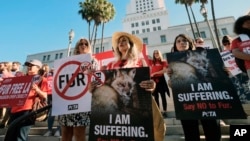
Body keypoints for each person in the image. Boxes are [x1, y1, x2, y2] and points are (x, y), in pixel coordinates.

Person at [91, 31, 166, 141]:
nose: (121, 43)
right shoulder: (111, 65)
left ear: (131, 44)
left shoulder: (140, 61)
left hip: (142, 99)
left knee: (159, 127)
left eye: (124, 40)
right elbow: (102, 86)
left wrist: (152, 85)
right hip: (117, 104)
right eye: (119, 42)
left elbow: (148, 80)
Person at [167, 34, 221, 141]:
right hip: (187, 102)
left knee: (212, 130)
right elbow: (174, 86)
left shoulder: (205, 57)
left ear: (190, 44)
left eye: (185, 41)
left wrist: (224, 72)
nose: (182, 43)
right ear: (175, 45)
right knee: (190, 133)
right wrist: (171, 79)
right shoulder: (174, 62)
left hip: (207, 100)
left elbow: (216, 77)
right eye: (179, 41)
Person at [58, 38, 99, 141]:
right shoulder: (69, 61)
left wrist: (92, 74)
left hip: (82, 100)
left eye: (86, 44)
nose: (83, 45)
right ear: (77, 47)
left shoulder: (93, 60)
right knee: (65, 132)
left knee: (79, 132)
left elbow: (96, 80)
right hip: (67, 100)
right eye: (81, 43)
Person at [6, 59, 48, 141]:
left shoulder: (42, 79)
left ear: (38, 68)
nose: (29, 67)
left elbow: (45, 95)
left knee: (20, 137)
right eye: (28, 65)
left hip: (28, 110)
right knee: (10, 136)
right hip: (14, 109)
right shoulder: (21, 78)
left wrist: (37, 90)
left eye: (31, 65)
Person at [42, 64, 61, 137]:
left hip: (60, 95)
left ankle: (58, 129)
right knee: (51, 113)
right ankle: (49, 130)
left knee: (60, 113)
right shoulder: (48, 76)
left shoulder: (61, 75)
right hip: (50, 96)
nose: (54, 70)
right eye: (53, 69)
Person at [149, 49, 170, 118]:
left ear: (159, 53)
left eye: (157, 53)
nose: (156, 54)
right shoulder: (152, 62)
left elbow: (164, 70)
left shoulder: (163, 61)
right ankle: (158, 112)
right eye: (155, 53)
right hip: (153, 80)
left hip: (161, 80)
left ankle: (165, 111)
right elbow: (144, 58)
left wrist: (155, 73)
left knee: (163, 96)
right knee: (156, 97)